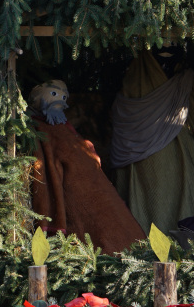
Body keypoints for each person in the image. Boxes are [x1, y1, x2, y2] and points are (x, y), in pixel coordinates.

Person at [110, 49, 194, 234]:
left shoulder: (188, 85)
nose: (168, 46)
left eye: (173, 44)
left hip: (185, 167)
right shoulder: (134, 85)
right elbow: (123, 124)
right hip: (142, 170)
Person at [28, 81, 145, 254]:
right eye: (54, 94)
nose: (60, 100)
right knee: (97, 235)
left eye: (64, 97)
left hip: (96, 189)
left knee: (119, 229)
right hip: (76, 193)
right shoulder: (39, 130)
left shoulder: (63, 128)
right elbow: (45, 170)